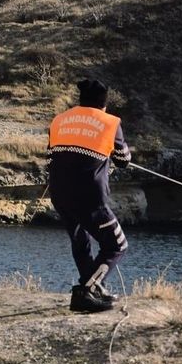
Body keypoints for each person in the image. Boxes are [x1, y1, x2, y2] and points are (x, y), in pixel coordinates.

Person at [47, 79, 132, 313]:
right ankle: (87, 290)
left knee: (80, 241)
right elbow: (123, 160)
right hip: (90, 197)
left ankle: (93, 290)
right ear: (104, 103)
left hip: (60, 193)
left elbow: (52, 154)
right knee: (117, 245)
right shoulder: (110, 122)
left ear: (80, 100)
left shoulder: (60, 120)